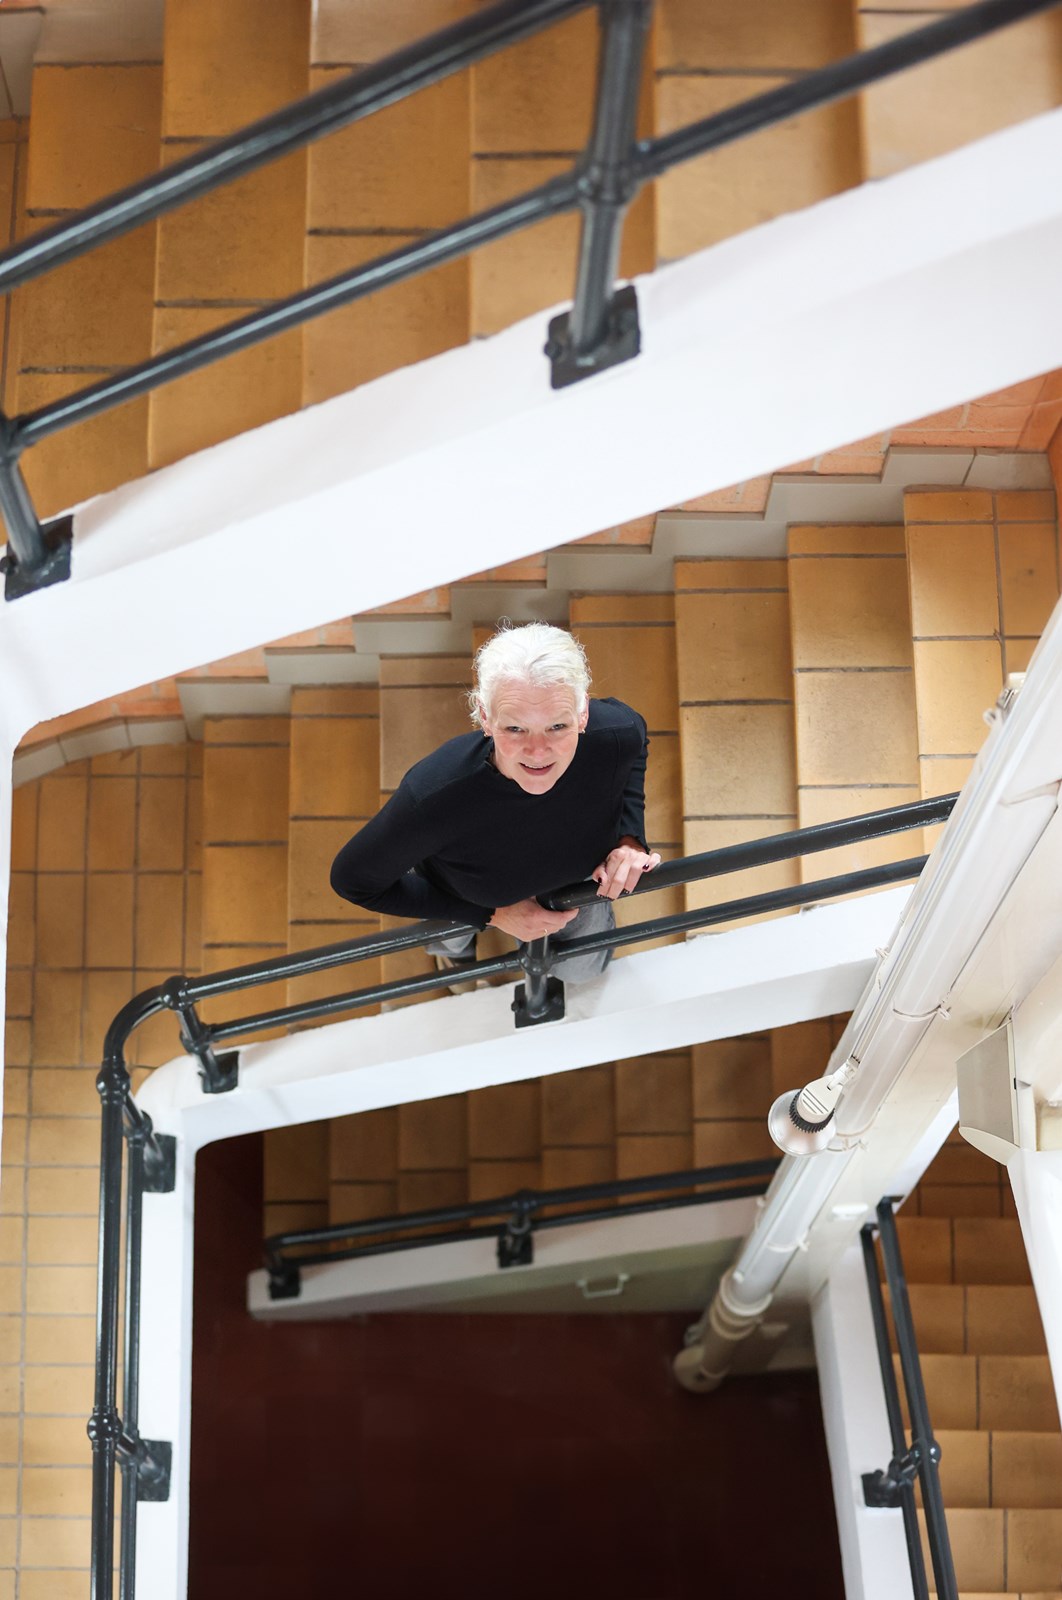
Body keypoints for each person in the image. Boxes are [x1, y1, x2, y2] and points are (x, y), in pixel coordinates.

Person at [329, 622, 660, 986]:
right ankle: (457, 954)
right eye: (515, 729)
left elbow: (636, 751)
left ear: (583, 715)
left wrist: (630, 839)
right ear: (485, 718)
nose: (537, 752)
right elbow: (353, 879)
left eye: (557, 727)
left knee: (582, 971)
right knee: (450, 937)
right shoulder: (435, 794)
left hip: (576, 885)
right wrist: (489, 914)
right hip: (462, 890)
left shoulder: (615, 734)